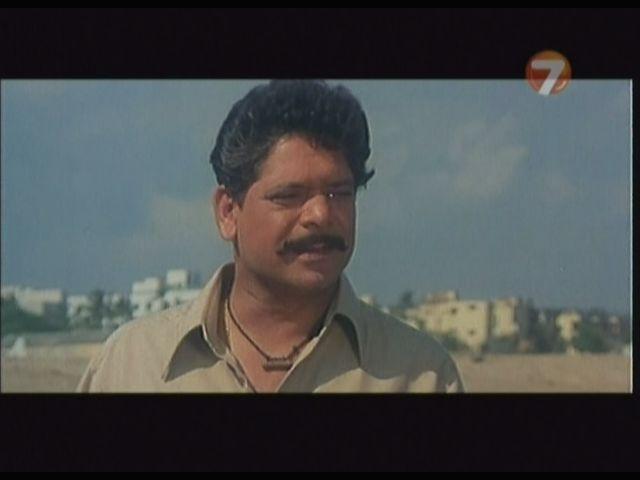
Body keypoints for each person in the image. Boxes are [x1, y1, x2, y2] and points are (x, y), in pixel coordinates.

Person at [77, 80, 464, 393]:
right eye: (289, 196)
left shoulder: (419, 374)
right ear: (228, 212)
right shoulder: (132, 365)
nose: (320, 215)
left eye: (339, 193)